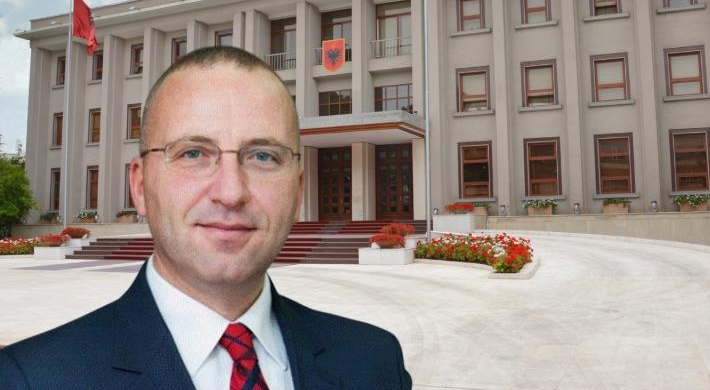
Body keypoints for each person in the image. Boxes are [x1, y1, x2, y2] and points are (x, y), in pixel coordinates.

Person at [0, 46, 413, 389]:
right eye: (193, 153)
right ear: (140, 186)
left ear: (298, 190)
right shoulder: (29, 379)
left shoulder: (374, 363)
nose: (231, 193)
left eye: (263, 156)